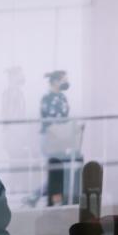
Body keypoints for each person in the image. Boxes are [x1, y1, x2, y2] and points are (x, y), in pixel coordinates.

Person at [40, 69, 79, 206]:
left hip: (62, 140)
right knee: (55, 172)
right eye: (64, 79)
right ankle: (42, 198)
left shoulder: (63, 97)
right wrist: (62, 134)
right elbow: (49, 123)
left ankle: (61, 200)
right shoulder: (47, 98)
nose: (66, 82)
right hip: (52, 140)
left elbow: (65, 119)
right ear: (56, 81)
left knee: (63, 171)